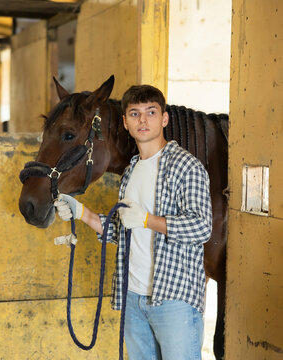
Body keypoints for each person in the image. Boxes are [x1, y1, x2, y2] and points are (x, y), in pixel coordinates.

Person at [55, 85, 212, 360]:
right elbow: (123, 230)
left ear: (164, 119)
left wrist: (147, 220)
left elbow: (202, 227)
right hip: (133, 296)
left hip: (173, 298)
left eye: (151, 112)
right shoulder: (131, 171)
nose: (143, 120)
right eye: (135, 114)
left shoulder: (187, 166)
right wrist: (82, 213)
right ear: (126, 123)